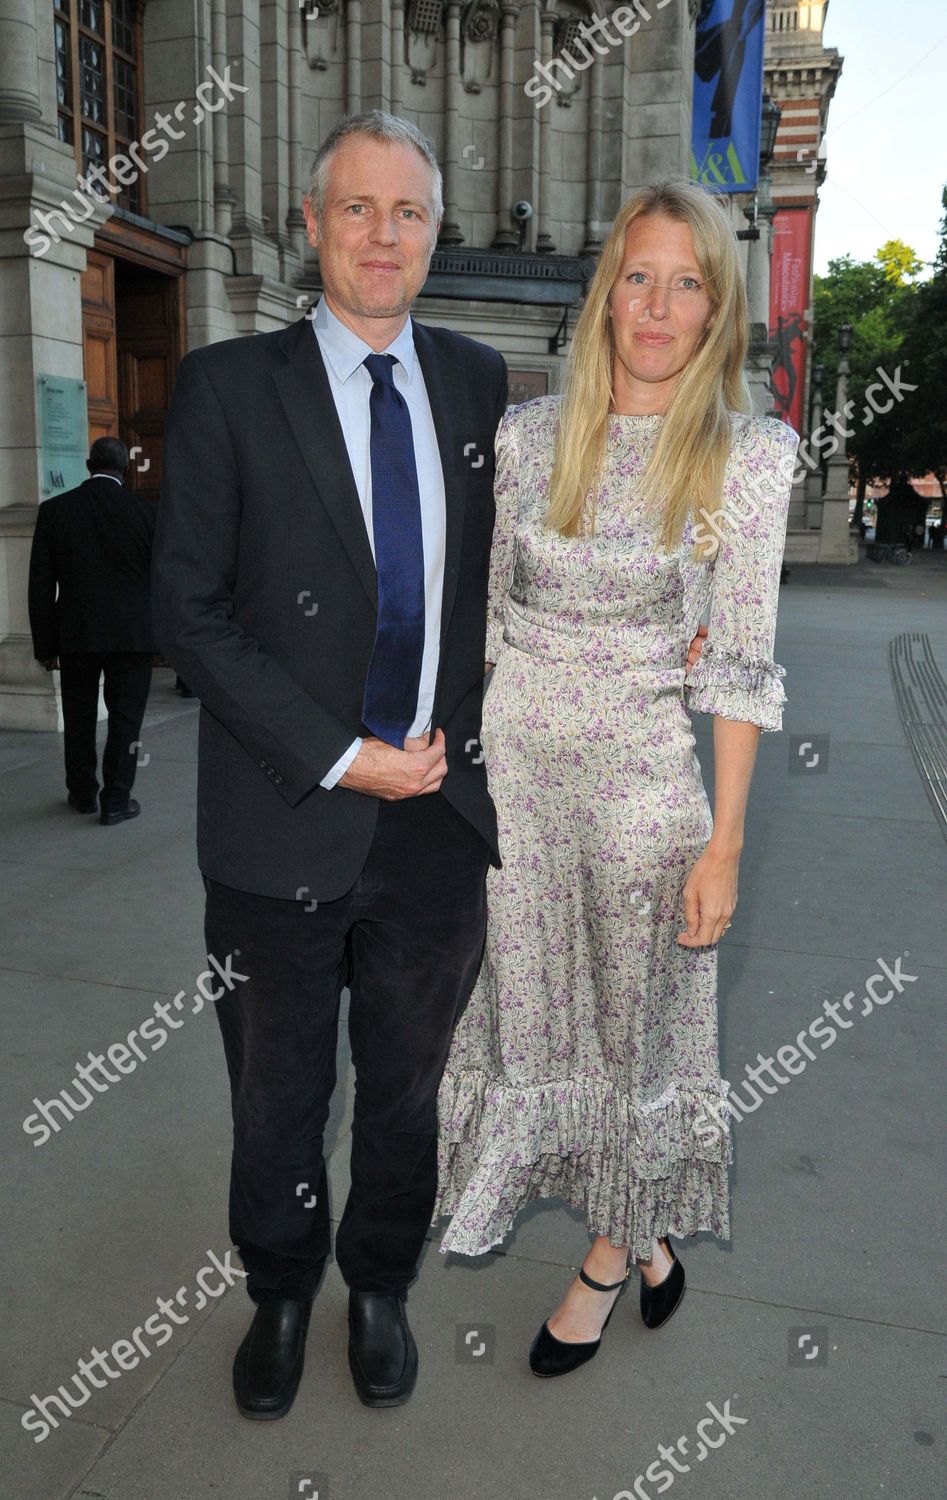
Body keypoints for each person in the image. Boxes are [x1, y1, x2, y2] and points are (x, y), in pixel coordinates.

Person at [150, 111, 508, 1418]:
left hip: (433, 830)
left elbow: (517, 584)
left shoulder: (476, 385)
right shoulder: (230, 385)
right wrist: (338, 754)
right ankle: (283, 1289)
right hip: (278, 823)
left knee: (406, 1094)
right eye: (354, 208)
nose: (380, 234)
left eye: (404, 211)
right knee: (275, 1094)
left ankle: (375, 1288)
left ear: (431, 232)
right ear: (311, 226)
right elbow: (186, 612)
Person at [436, 179, 799, 1378]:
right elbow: (483, 619)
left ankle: (604, 1256)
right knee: (548, 1029)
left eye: (684, 282)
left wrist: (725, 844)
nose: (655, 305)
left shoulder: (747, 460)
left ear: (714, 309)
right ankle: (645, 1243)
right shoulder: (533, 435)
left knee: (631, 1042)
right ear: (603, 296)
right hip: (522, 803)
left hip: (646, 799)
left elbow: (738, 666)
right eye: (636, 276)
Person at [27, 437, 155, 825]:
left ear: (88, 464)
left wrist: (44, 646)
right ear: (125, 470)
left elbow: (40, 585)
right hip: (133, 638)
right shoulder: (147, 513)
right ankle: (116, 799)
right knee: (126, 719)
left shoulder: (55, 511)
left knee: (79, 716)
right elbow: (166, 579)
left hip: (77, 635)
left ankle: (82, 793)